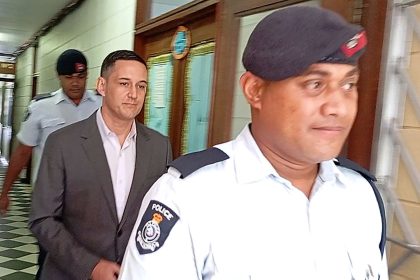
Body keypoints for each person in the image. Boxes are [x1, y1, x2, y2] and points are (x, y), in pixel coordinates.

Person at [118, 6, 388, 280]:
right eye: (315, 84)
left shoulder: (360, 196)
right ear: (255, 90)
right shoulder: (189, 198)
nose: (338, 108)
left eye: (348, 85)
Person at [29, 50, 172, 280]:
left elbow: (161, 213)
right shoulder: (63, 143)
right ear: (102, 86)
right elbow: (42, 219)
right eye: (124, 83)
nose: (133, 94)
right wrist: (91, 266)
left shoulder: (159, 146)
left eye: (141, 86)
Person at [0, 48, 102, 279]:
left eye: (80, 77)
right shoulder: (41, 107)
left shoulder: (101, 105)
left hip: (90, 201)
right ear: (59, 77)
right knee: (50, 260)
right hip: (51, 200)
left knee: (87, 261)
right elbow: (22, 152)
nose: (75, 83)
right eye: (69, 77)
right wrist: (5, 192)